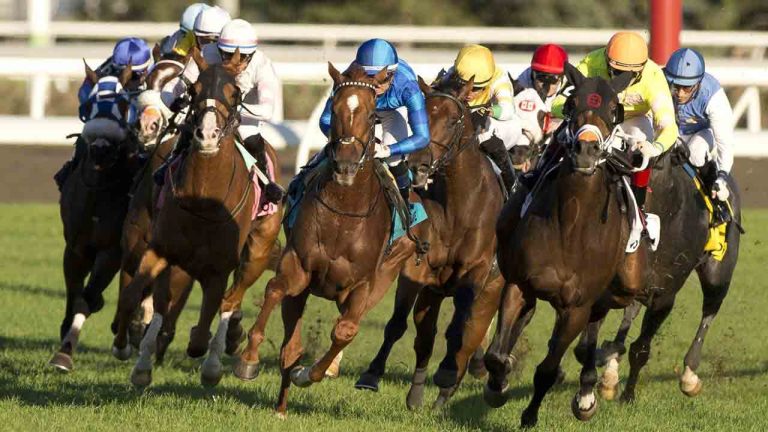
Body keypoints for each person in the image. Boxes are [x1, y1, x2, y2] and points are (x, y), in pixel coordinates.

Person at [157, 19, 284, 204]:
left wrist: (234, 111)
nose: (236, 61)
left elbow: (267, 110)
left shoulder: (263, 66)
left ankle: (266, 183)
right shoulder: (206, 55)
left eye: (243, 57)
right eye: (229, 54)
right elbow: (173, 87)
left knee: (251, 137)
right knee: (188, 129)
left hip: (245, 117)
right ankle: (170, 164)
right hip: (210, 114)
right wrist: (173, 102)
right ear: (219, 49)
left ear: (252, 54)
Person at [549, 31, 679, 212]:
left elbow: (668, 126)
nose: (621, 79)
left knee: (643, 141)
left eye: (629, 74)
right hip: (595, 117)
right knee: (564, 132)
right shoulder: (591, 63)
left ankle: (639, 206)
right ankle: (535, 180)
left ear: (641, 70)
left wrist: (655, 148)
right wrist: (574, 109)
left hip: (632, 120)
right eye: (617, 72)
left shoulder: (654, 77)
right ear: (606, 61)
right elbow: (557, 103)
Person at [314, 38, 430, 206]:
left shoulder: (408, 87)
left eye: (380, 79)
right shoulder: (347, 80)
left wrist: (388, 149)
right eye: (368, 78)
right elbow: (325, 120)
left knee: (394, 159)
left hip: (393, 112)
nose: (374, 85)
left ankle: (406, 205)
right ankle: (296, 190)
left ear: (391, 75)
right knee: (329, 153)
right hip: (360, 112)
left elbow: (423, 137)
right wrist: (342, 140)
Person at [54, 37, 151, 190]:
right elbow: (84, 94)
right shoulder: (104, 69)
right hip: (115, 119)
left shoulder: (153, 71)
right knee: (83, 141)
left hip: (140, 119)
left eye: (136, 76)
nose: (132, 78)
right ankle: (71, 168)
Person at [439, 44, 518, 194]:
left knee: (485, 132)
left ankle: (512, 185)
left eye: (475, 88)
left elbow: (507, 110)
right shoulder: (451, 73)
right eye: (463, 85)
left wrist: (486, 111)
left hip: (501, 125)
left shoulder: (499, 78)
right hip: (468, 123)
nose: (468, 92)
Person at [664, 47, 734, 213]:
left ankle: (716, 199)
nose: (680, 93)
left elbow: (725, 142)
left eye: (687, 88)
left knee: (695, 153)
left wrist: (723, 177)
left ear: (698, 83)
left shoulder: (713, 95)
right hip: (668, 131)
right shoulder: (659, 82)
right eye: (676, 86)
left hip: (700, 133)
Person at [517, 44, 569, 110]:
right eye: (541, 77)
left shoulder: (571, 86)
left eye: (553, 79)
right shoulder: (521, 84)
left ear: (563, 77)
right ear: (533, 74)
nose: (546, 85)